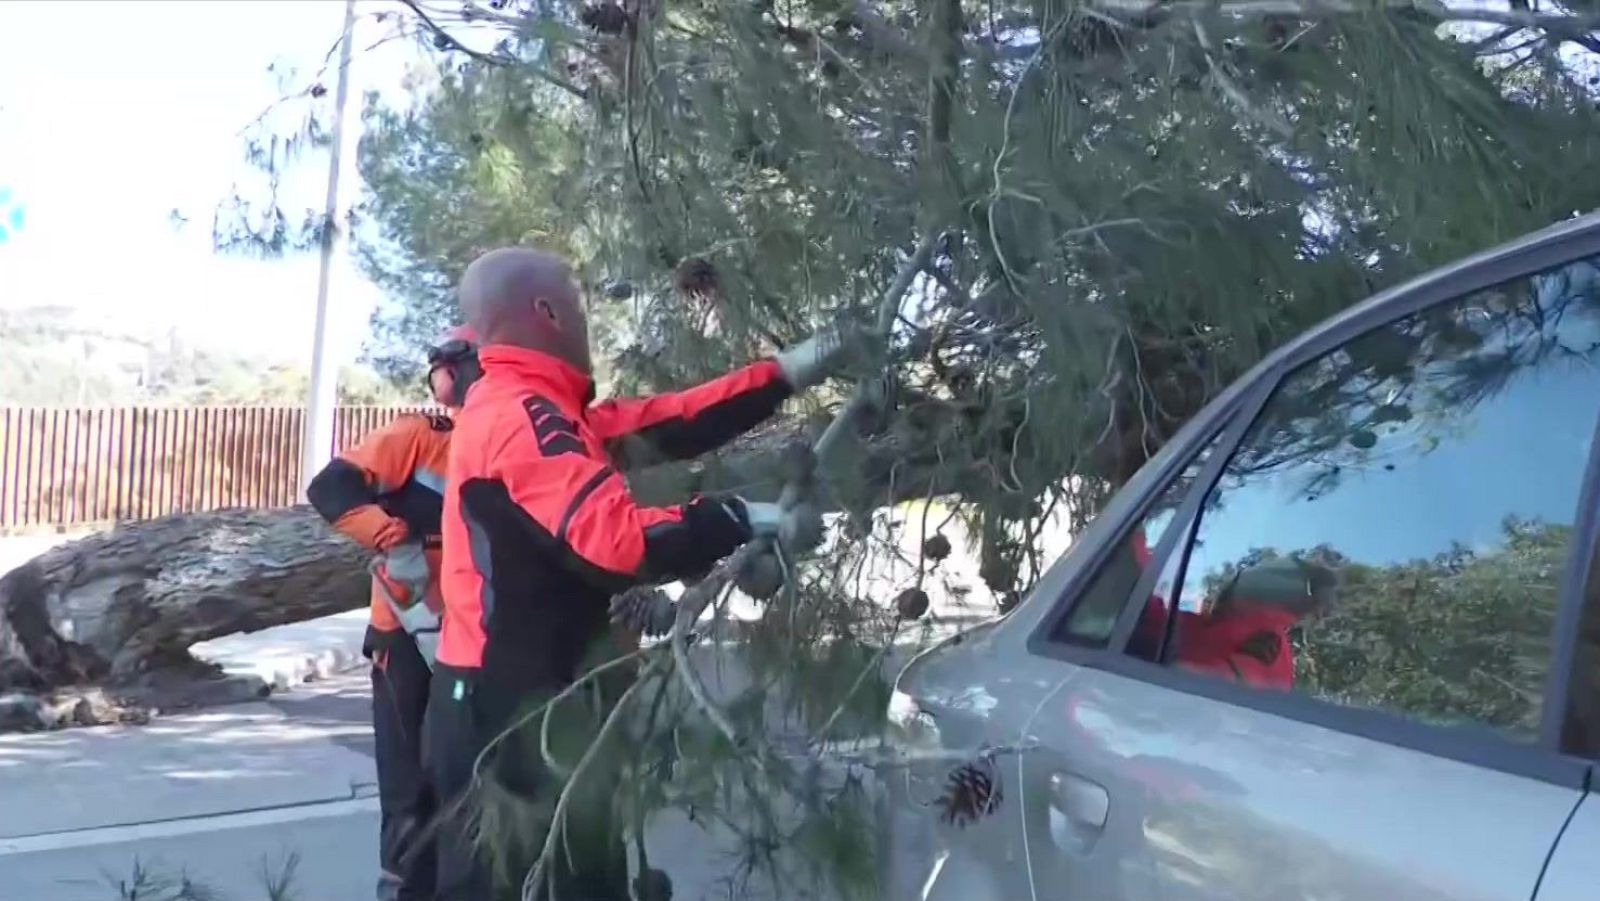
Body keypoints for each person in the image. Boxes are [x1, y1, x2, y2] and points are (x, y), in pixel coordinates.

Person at [430, 247, 853, 901]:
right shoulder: (524, 417)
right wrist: (752, 516)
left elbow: (673, 420)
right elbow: (617, 542)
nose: (586, 325)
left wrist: (792, 369)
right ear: (546, 312)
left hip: (521, 699)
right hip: (512, 717)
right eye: (577, 308)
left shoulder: (540, 407)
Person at [307, 326, 480, 901]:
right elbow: (331, 486)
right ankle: (405, 885)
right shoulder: (419, 436)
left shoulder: (510, 441)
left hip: (476, 631)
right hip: (405, 632)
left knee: (471, 769)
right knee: (410, 777)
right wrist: (392, 538)